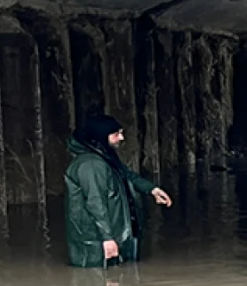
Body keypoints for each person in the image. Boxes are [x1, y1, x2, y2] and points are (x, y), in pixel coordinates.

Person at [64, 114, 172, 268]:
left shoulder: (103, 157)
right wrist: (107, 239)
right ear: (100, 137)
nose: (121, 138)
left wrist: (152, 189)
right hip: (96, 245)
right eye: (116, 134)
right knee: (105, 284)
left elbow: (125, 174)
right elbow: (95, 202)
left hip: (113, 237)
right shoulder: (91, 165)